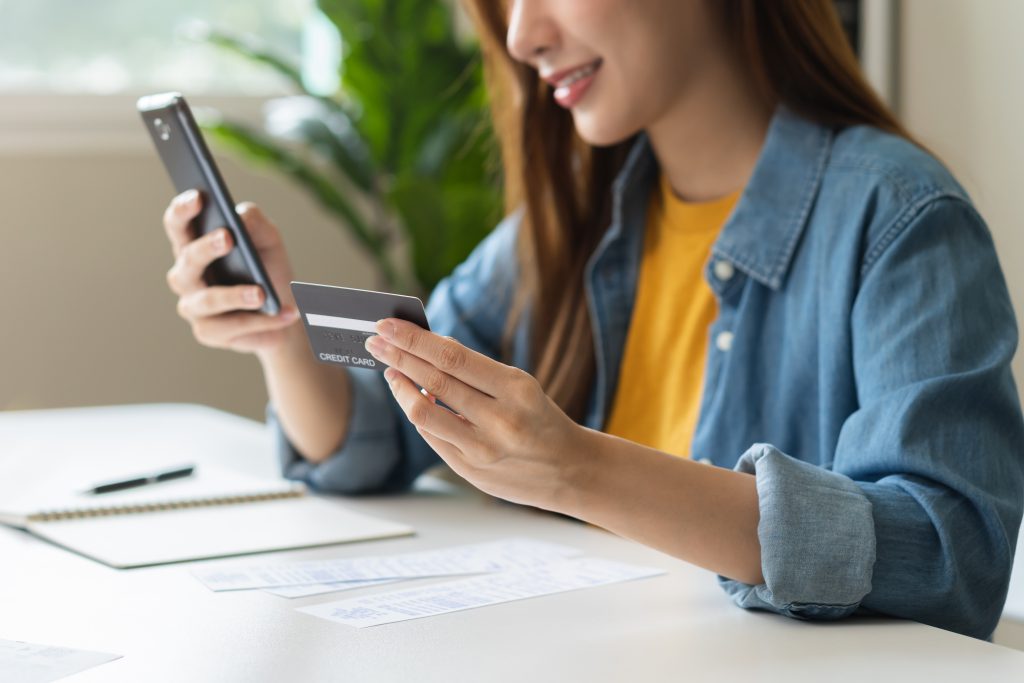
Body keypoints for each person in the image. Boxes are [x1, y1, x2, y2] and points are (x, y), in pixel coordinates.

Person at [160, 0, 1024, 640]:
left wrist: (577, 468)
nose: (520, 35)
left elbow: (948, 553)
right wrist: (278, 332)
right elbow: (377, 433)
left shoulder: (899, 217)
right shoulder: (568, 217)